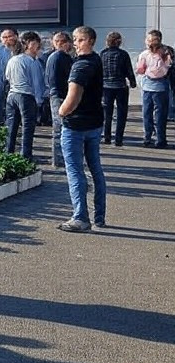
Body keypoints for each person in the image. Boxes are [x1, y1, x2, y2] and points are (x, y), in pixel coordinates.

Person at [58, 26, 107, 232]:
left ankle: (80, 217)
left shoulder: (81, 66)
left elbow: (73, 97)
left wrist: (61, 112)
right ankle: (99, 216)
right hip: (94, 123)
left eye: (80, 40)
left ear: (90, 40)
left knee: (75, 170)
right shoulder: (96, 60)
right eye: (75, 40)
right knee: (95, 168)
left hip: (76, 125)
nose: (75, 43)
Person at [5, 30, 45, 161]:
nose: (38, 46)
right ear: (28, 44)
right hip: (27, 96)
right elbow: (37, 83)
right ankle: (26, 155)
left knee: (11, 126)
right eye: (36, 43)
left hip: (12, 95)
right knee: (28, 127)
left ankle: (8, 153)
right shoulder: (33, 62)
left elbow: (7, 77)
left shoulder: (13, 59)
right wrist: (39, 100)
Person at [136, 29, 172, 149]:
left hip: (147, 86)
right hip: (161, 87)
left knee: (147, 114)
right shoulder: (166, 53)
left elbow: (140, 70)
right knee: (161, 115)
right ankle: (161, 139)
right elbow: (169, 68)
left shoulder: (144, 54)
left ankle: (147, 138)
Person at [100, 31, 136, 147]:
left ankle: (107, 137)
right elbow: (128, 70)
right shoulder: (123, 54)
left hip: (106, 86)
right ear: (119, 42)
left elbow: (99, 71)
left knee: (107, 113)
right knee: (121, 113)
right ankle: (119, 139)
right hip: (120, 86)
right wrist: (133, 82)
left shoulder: (103, 54)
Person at [44, 31, 73, 168]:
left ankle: (61, 158)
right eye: (57, 41)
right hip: (59, 95)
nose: (59, 44)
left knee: (62, 127)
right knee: (59, 127)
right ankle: (58, 159)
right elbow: (53, 80)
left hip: (60, 94)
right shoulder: (57, 57)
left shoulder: (64, 57)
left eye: (62, 41)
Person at [0, 27, 19, 125]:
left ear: (16, 37)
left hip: (13, 82)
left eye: (9, 36)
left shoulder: (19, 50)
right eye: (4, 37)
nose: (7, 39)